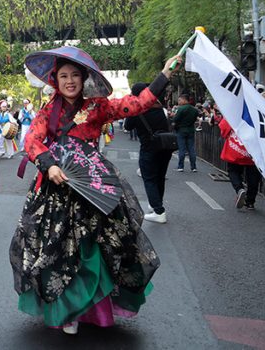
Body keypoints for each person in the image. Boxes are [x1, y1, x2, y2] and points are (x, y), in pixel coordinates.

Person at [11, 46, 180, 335]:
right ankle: (67, 311)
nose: (69, 81)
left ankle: (93, 309)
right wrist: (49, 165)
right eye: (63, 76)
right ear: (55, 80)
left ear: (84, 78)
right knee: (58, 252)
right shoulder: (47, 110)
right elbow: (32, 141)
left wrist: (164, 75)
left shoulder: (98, 107)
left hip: (92, 191)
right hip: (57, 190)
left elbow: (136, 104)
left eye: (75, 75)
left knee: (96, 250)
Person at [124, 83, 173, 223]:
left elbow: (128, 126)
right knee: (160, 177)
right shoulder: (158, 106)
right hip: (165, 145)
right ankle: (155, 204)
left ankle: (158, 211)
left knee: (149, 178)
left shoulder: (137, 108)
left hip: (149, 147)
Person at [218, 117, 260, 210]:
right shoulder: (259, 109)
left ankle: (239, 189)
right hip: (254, 150)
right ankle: (250, 202)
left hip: (235, 149)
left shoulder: (236, 110)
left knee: (233, 171)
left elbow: (224, 128)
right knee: (253, 176)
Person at [173, 93, 199, 172]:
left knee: (182, 149)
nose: (179, 102)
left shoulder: (181, 109)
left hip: (181, 130)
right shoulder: (194, 110)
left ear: (184, 100)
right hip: (190, 130)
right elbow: (195, 119)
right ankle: (193, 167)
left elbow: (175, 119)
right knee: (191, 149)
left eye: (180, 100)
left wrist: (175, 124)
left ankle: (181, 166)